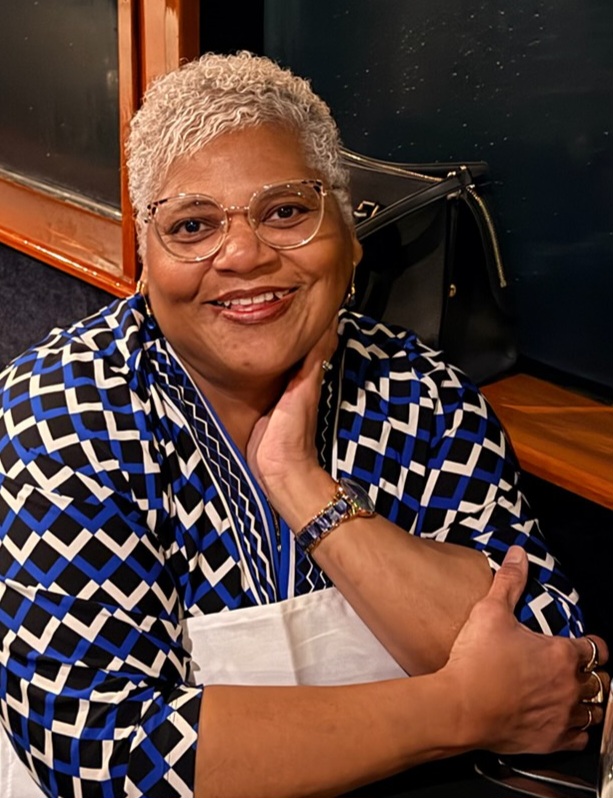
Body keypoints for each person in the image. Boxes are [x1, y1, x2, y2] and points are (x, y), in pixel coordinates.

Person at [0, 51, 609, 798]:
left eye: (285, 210)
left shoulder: (421, 393)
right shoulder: (63, 409)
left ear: (349, 233)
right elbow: (103, 755)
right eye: (192, 225)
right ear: (145, 261)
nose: (245, 255)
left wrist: (301, 484)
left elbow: (548, 671)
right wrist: (455, 710)